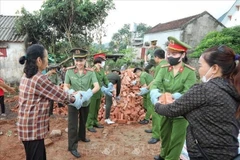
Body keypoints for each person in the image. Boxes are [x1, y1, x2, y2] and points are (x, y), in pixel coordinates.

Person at [154, 45, 240, 160]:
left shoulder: (204, 89)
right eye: (169, 53)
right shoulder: (232, 87)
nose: (199, 69)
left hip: (206, 153)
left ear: (214, 68)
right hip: (226, 151)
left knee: (176, 140)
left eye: (200, 65)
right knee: (166, 137)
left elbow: (172, 109)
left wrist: (156, 103)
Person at [17, 44, 81, 160]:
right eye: (46, 58)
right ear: (39, 60)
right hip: (33, 130)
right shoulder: (39, 79)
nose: (47, 61)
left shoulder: (26, 75)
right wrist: (75, 98)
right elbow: (60, 95)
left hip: (26, 127)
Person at [150, 36, 197, 160]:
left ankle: (171, 158)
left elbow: (189, 91)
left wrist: (172, 97)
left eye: (174, 54)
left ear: (182, 55)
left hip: (181, 112)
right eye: (169, 53)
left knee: (177, 138)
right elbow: (156, 84)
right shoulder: (164, 69)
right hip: (165, 108)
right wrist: (157, 96)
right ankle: (164, 154)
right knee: (165, 134)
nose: (170, 56)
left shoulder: (189, 72)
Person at [64, 48, 100, 158]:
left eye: (81, 60)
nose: (79, 63)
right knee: (72, 124)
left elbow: (97, 86)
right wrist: (70, 92)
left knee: (83, 120)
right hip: (73, 102)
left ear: (85, 61)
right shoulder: (69, 71)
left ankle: (82, 137)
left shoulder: (90, 73)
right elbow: (65, 85)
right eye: (77, 60)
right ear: (74, 60)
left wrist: (87, 94)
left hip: (85, 101)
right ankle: (72, 147)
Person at [144, 48, 168, 143]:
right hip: (164, 92)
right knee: (158, 115)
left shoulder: (160, 66)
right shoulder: (167, 64)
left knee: (156, 114)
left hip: (158, 92)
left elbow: (155, 80)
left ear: (157, 57)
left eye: (154, 57)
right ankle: (155, 129)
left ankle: (156, 135)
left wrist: (147, 88)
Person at [86, 52, 113, 132]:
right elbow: (90, 82)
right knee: (91, 109)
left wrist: (109, 84)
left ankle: (95, 122)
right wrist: (101, 87)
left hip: (99, 93)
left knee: (97, 108)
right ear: (98, 62)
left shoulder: (101, 70)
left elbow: (105, 78)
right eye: (103, 61)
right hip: (93, 92)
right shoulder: (92, 70)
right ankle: (89, 124)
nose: (103, 63)